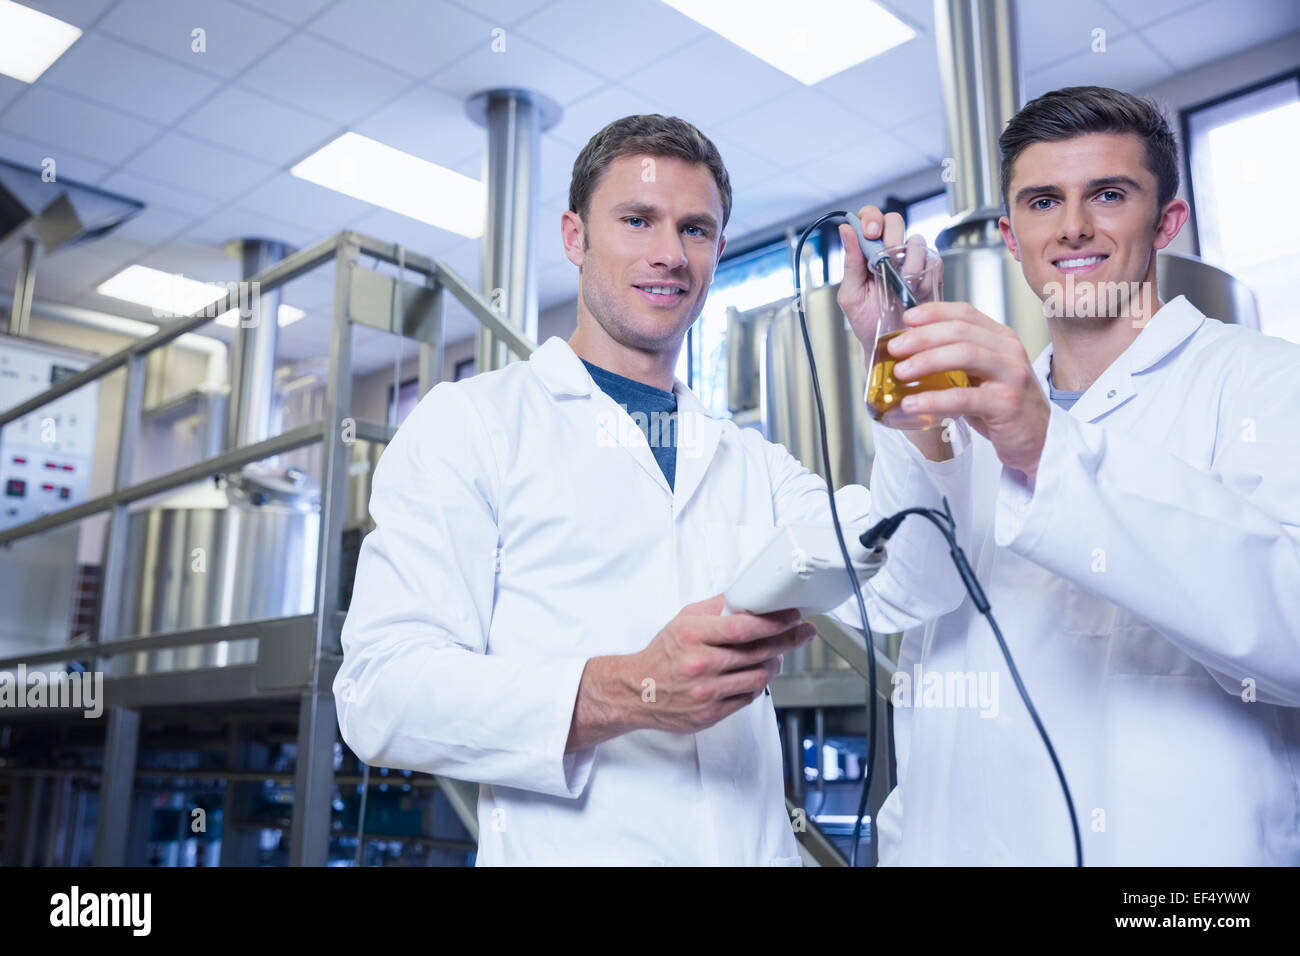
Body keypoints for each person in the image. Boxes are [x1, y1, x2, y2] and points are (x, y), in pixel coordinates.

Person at [332, 114, 959, 865]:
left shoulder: (750, 464)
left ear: (719, 252)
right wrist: (631, 689)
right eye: (637, 220)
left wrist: (902, 360)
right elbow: (379, 695)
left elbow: (913, 582)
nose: (670, 254)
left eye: (695, 229)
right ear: (574, 237)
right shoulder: (472, 425)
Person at [836, 86, 1300, 865]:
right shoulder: (977, 418)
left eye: (1109, 195)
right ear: (1014, 237)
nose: (1074, 226)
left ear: (1168, 222)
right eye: (1044, 201)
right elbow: (911, 606)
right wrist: (914, 394)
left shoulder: (1261, 382)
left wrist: (1047, 445)